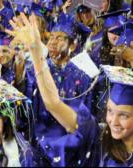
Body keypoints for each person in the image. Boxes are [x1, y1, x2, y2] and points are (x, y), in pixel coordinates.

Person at [6, 13, 99, 166]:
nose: (52, 43)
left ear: (73, 45)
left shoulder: (83, 79)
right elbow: (25, 115)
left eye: (60, 38)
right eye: (51, 37)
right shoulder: (33, 72)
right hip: (38, 154)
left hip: (68, 157)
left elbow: (84, 127)